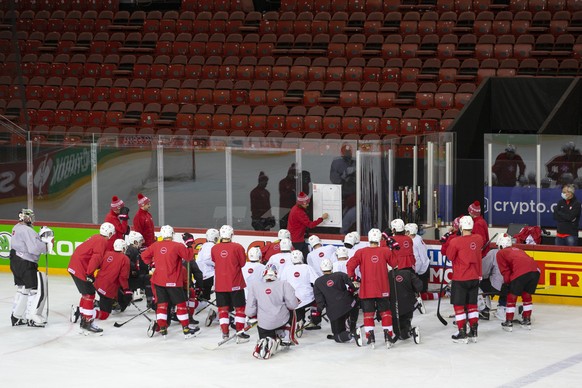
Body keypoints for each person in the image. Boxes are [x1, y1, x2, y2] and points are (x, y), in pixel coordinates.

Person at [141, 225, 199, 339]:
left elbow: (144, 256)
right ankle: (186, 329)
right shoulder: (177, 246)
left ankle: (163, 328)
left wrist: (152, 262)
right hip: (173, 282)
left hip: (159, 281)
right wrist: (189, 245)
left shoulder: (155, 245)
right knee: (181, 305)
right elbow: (188, 257)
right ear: (172, 234)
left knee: (162, 305)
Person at [347, 228, 398, 349]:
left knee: (368, 314)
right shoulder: (385, 251)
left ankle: (370, 337)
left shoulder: (361, 252)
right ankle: (388, 336)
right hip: (383, 288)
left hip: (367, 289)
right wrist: (393, 249)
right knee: (386, 313)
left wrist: (353, 277)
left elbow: (350, 265)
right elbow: (394, 264)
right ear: (380, 239)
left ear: (369, 239)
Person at [68, 222, 115, 335]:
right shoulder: (102, 241)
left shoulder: (96, 237)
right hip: (81, 269)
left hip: (74, 266)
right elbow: (96, 257)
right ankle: (87, 322)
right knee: (90, 294)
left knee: (86, 294)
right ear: (108, 233)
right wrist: (90, 273)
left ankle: (84, 318)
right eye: (111, 234)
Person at [9, 209, 53, 327]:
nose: (32, 219)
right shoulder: (28, 230)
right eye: (30, 217)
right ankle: (32, 317)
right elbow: (33, 249)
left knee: (23, 289)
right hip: (26, 264)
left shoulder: (16, 227)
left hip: (15, 261)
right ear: (26, 218)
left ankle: (16, 317)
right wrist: (46, 245)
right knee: (34, 289)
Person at [246, 264, 299, 360]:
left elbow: (250, 311)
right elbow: (292, 305)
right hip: (281, 320)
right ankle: (286, 335)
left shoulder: (254, 286)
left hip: (264, 324)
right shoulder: (284, 284)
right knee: (292, 311)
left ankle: (266, 341)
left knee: (265, 331)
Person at [445, 216, 484, 344]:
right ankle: (473, 332)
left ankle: (462, 332)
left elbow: (450, 256)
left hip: (461, 277)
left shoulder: (456, 241)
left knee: (459, 306)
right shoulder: (479, 239)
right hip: (474, 277)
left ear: (461, 227)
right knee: (472, 305)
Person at [495, 234, 541, 332]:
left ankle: (509, 322)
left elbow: (505, 271)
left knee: (512, 297)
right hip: (535, 272)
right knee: (527, 295)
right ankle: (526, 320)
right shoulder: (518, 250)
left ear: (500, 245)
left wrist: (507, 283)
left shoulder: (501, 253)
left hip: (521, 273)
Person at [211, 225, 249, 342]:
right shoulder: (238, 247)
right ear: (231, 235)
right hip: (235, 282)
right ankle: (240, 332)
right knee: (240, 309)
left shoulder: (214, 248)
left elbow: (214, 260)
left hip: (220, 284)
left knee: (223, 309)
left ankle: (225, 333)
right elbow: (242, 263)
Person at [314, 258, 359, 343]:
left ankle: (351, 334)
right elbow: (352, 285)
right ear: (332, 267)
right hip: (348, 304)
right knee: (355, 302)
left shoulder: (318, 282)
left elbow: (320, 302)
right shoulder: (340, 275)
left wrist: (317, 314)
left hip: (334, 311)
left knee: (337, 336)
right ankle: (352, 325)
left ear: (321, 268)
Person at [86, 239, 131, 321]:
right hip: (107, 289)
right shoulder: (125, 259)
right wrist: (126, 289)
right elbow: (123, 278)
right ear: (123, 249)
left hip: (97, 284)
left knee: (106, 298)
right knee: (105, 314)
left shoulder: (107, 253)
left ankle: (99, 303)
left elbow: (98, 265)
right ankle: (83, 312)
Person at [279, 250, 318, 330]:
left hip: (293, 298)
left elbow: (281, 283)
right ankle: (314, 320)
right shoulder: (307, 267)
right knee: (316, 301)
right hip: (308, 297)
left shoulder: (287, 269)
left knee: (296, 304)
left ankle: (299, 320)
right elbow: (316, 281)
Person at [287, 191, 328, 259]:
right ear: (302, 204)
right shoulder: (299, 212)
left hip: (294, 238)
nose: (308, 205)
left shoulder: (295, 208)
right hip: (297, 240)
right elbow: (310, 225)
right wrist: (322, 218)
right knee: (305, 259)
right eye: (306, 203)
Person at [389, 266, 423, 343]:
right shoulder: (407, 273)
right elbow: (419, 286)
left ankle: (405, 330)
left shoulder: (385, 276)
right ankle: (407, 330)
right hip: (408, 306)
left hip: (393, 309)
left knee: (400, 330)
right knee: (404, 330)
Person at [330, 143, 357, 234]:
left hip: (354, 197)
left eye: (349, 152)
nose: (347, 154)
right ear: (341, 152)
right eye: (345, 152)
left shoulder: (356, 162)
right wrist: (345, 174)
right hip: (341, 197)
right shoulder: (337, 163)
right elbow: (334, 180)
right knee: (339, 220)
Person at [405, 223, 429, 314]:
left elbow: (423, 256)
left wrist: (420, 270)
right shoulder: (417, 238)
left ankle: (418, 302)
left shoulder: (416, 241)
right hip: (417, 267)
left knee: (414, 287)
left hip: (417, 267)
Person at [197, 228, 219, 317]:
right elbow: (207, 259)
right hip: (208, 275)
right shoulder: (211, 246)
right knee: (205, 298)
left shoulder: (204, 245)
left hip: (200, 274)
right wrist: (217, 264)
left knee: (202, 297)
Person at [125, 231, 152, 306]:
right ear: (135, 241)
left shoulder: (133, 250)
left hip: (132, 278)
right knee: (149, 279)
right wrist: (134, 269)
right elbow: (127, 262)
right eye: (140, 241)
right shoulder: (131, 250)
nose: (141, 243)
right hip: (131, 279)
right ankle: (151, 302)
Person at [278, 164, 297, 229]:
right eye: (291, 174)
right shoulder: (282, 182)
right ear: (288, 173)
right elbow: (283, 195)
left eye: (294, 174)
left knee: (294, 227)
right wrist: (291, 191)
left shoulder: (297, 182)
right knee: (283, 228)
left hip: (294, 209)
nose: (292, 175)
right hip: (284, 209)